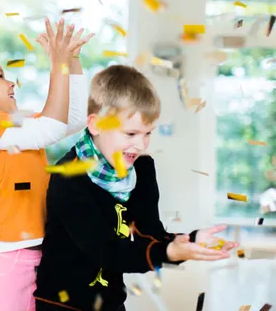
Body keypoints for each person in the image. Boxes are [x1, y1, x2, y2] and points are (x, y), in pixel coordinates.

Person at [34, 65, 239, 311]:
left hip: (110, 302)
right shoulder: (69, 178)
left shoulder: (141, 167)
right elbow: (105, 250)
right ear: (96, 125)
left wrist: (189, 240)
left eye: (147, 133)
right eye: (130, 133)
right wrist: (169, 252)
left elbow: (149, 233)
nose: (140, 144)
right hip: (63, 305)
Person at [0, 18, 94, 311]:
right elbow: (50, 128)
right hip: (0, 262)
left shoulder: (13, 122)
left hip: (36, 255)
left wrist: (71, 61)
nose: (11, 82)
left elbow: (71, 119)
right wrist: (56, 64)